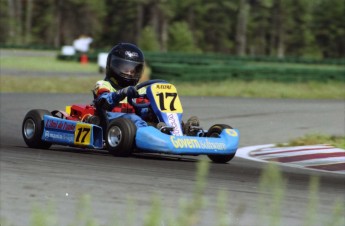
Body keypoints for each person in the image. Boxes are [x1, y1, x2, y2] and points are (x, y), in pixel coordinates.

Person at [93, 43, 200, 134]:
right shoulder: (103, 85)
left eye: (133, 70)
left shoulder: (138, 90)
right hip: (110, 121)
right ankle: (155, 134)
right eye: (126, 69)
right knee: (134, 119)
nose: (130, 73)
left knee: (155, 115)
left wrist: (152, 111)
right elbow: (104, 102)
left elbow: (143, 110)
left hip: (133, 124)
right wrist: (123, 92)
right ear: (113, 66)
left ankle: (181, 129)